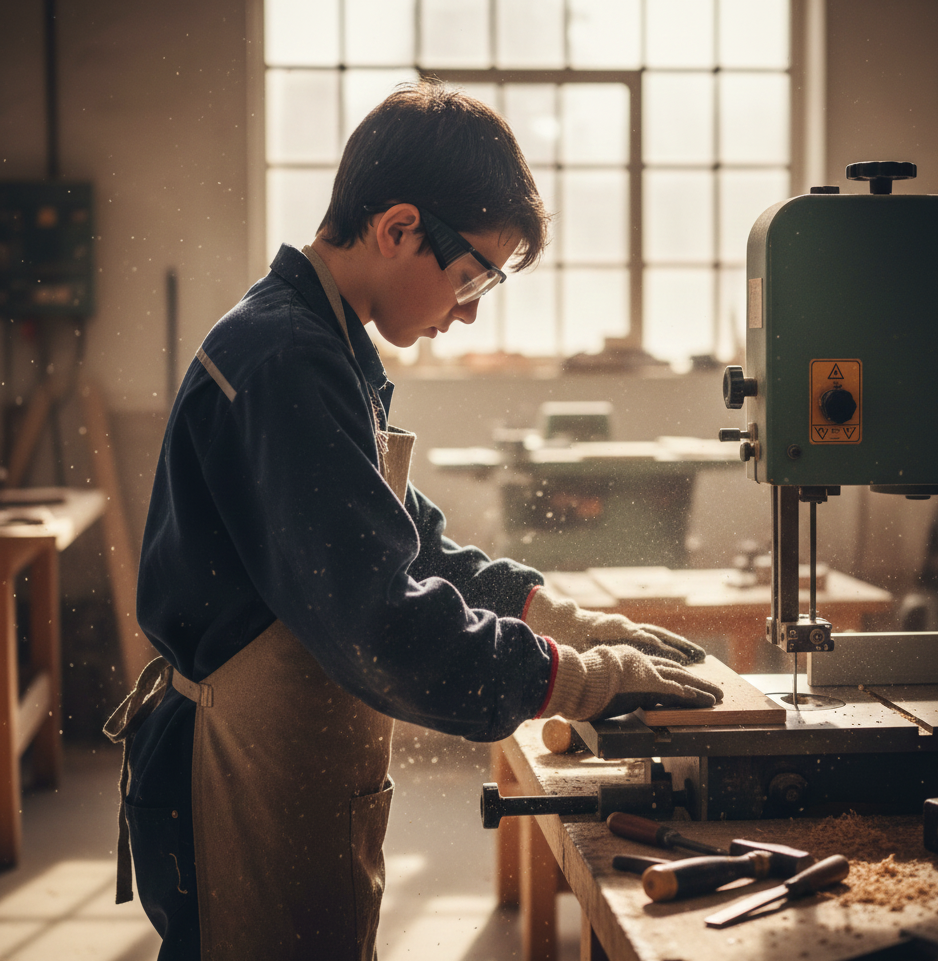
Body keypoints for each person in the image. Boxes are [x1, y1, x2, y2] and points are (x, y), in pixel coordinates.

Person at [105, 79, 722, 961]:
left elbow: (410, 539)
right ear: (398, 228)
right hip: (240, 774)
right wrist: (574, 680)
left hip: (290, 758)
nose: (469, 309)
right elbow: (386, 622)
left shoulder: (326, 341)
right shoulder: (285, 360)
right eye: (473, 274)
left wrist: (555, 617)